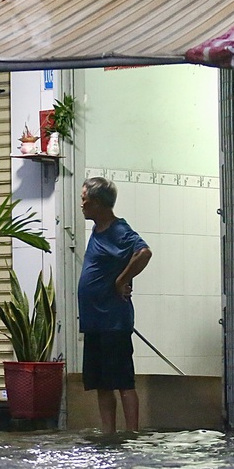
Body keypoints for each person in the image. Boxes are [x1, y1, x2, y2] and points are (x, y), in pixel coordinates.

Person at [77, 177, 152, 433]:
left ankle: (131, 433)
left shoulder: (119, 230)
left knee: (123, 382)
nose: (82, 205)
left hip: (113, 321)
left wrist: (122, 280)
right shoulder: (97, 229)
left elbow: (144, 252)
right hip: (95, 321)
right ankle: (108, 433)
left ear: (98, 203)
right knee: (102, 384)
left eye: (85, 200)